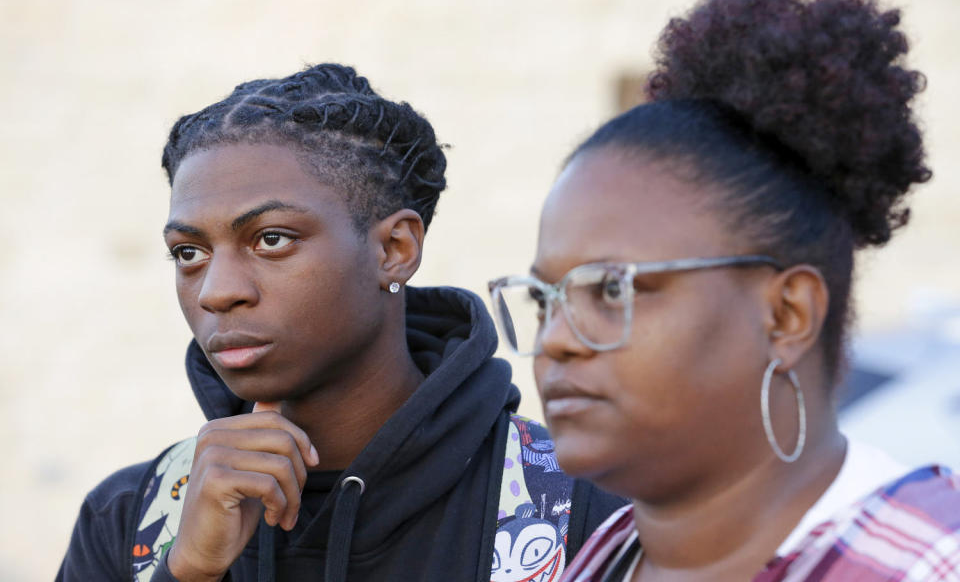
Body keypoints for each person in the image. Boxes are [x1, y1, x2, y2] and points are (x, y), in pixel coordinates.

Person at [57, 63, 623, 582]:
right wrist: (189, 572)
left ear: (394, 249)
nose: (216, 291)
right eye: (188, 253)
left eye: (271, 239)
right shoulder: (131, 521)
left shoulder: (582, 514)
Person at [488, 0, 960, 582]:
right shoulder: (600, 556)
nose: (554, 341)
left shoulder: (918, 564)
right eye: (546, 300)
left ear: (786, 315)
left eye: (611, 289)